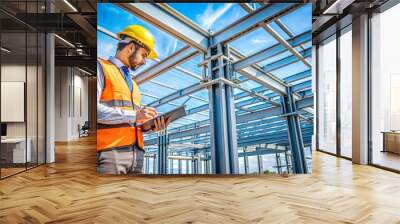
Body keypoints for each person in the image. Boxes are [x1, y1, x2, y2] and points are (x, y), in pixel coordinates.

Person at [97, 25, 170, 174]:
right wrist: (135, 115)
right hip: (111, 153)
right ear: (130, 48)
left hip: (137, 155)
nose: (144, 61)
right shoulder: (101, 67)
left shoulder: (134, 86)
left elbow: (132, 122)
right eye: (144, 55)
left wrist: (148, 126)